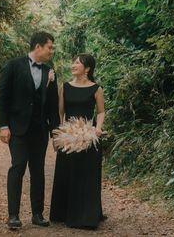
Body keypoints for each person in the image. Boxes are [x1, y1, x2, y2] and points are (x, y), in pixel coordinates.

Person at [0, 31, 60, 230]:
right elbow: (3, 97)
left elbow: (53, 105)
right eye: (49, 47)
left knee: (38, 171)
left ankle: (37, 214)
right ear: (38, 46)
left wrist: (55, 132)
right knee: (17, 168)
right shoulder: (13, 65)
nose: (51, 51)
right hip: (18, 128)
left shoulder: (50, 72)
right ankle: (13, 215)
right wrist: (3, 126)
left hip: (39, 129)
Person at [50, 53, 105, 229]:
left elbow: (101, 112)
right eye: (73, 62)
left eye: (77, 63)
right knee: (67, 173)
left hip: (88, 136)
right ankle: (63, 213)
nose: (73, 65)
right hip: (68, 136)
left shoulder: (96, 88)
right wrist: (59, 133)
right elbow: (60, 112)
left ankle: (87, 215)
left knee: (86, 176)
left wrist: (98, 128)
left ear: (87, 68)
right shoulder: (65, 87)